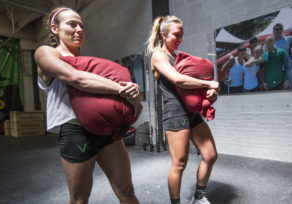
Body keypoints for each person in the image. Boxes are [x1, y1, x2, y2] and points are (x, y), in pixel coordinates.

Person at [34, 7, 141, 204]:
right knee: (80, 198)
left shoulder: (87, 62)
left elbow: (106, 89)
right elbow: (73, 77)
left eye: (81, 25)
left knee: (126, 191)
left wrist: (132, 91)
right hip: (76, 131)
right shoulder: (46, 53)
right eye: (72, 24)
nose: (78, 29)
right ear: (54, 29)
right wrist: (121, 89)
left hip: (107, 131)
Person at [146, 16, 219, 204]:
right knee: (179, 164)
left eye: (182, 35)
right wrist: (209, 82)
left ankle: (199, 197)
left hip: (191, 112)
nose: (180, 39)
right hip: (175, 114)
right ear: (163, 35)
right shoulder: (158, 55)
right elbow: (178, 80)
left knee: (210, 155)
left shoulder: (177, 57)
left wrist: (208, 92)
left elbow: (191, 85)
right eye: (176, 35)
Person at [273, 23, 292, 89]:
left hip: (289, 68)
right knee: (281, 89)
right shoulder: (271, 42)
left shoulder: (288, 39)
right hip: (278, 71)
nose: (279, 30)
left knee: (290, 87)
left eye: (280, 29)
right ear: (273, 31)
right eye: (276, 29)